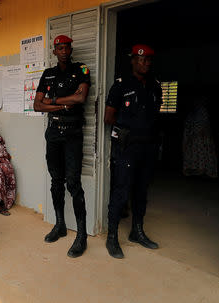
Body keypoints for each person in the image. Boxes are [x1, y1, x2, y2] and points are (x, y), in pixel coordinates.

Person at [33, 35, 91, 258]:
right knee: (56, 180)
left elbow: (81, 98)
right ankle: (60, 225)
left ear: (71, 49)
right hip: (54, 133)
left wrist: (53, 101)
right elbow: (37, 105)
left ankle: (82, 235)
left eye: (66, 47)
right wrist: (64, 103)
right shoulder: (48, 74)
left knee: (73, 183)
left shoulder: (81, 70)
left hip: (73, 133)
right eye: (59, 48)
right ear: (54, 51)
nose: (64, 50)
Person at [104, 44, 162, 259]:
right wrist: (128, 127)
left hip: (148, 147)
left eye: (148, 60)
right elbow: (108, 118)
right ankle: (112, 237)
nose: (145, 63)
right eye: (141, 59)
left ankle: (137, 231)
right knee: (121, 191)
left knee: (141, 191)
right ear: (133, 61)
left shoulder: (155, 86)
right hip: (127, 147)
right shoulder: (121, 85)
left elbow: (155, 116)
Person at [182, 96, 218, 178]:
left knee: (199, 153)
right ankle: (197, 170)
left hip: (199, 137)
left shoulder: (199, 111)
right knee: (197, 153)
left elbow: (202, 126)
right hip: (196, 137)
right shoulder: (194, 113)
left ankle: (200, 170)